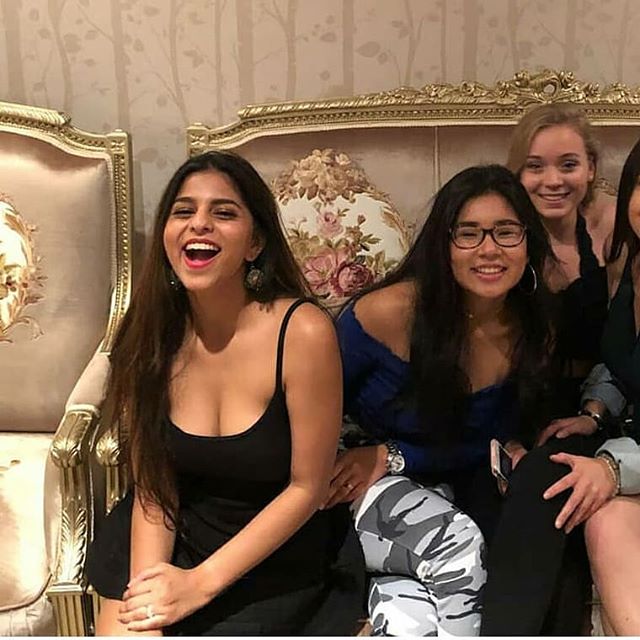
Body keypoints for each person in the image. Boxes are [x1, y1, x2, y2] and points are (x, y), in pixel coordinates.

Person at [86, 150, 365, 636]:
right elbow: (154, 486)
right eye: (183, 210)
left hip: (273, 551)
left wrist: (200, 584)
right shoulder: (149, 332)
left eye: (223, 212)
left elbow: (307, 488)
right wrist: (154, 595)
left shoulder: (302, 332)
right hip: (171, 532)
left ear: (255, 243)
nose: (199, 223)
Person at [325, 164, 557, 635]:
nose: (489, 249)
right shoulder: (387, 314)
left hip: (444, 490)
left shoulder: (534, 329)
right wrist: (375, 458)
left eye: (506, 232)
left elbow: (493, 434)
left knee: (409, 620)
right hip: (351, 485)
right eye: (468, 233)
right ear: (443, 245)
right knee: (456, 545)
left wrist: (515, 447)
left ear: (528, 241)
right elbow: (306, 406)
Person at [541, 138, 640, 635]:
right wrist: (595, 411)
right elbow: (620, 359)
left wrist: (614, 467)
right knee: (596, 516)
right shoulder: (635, 265)